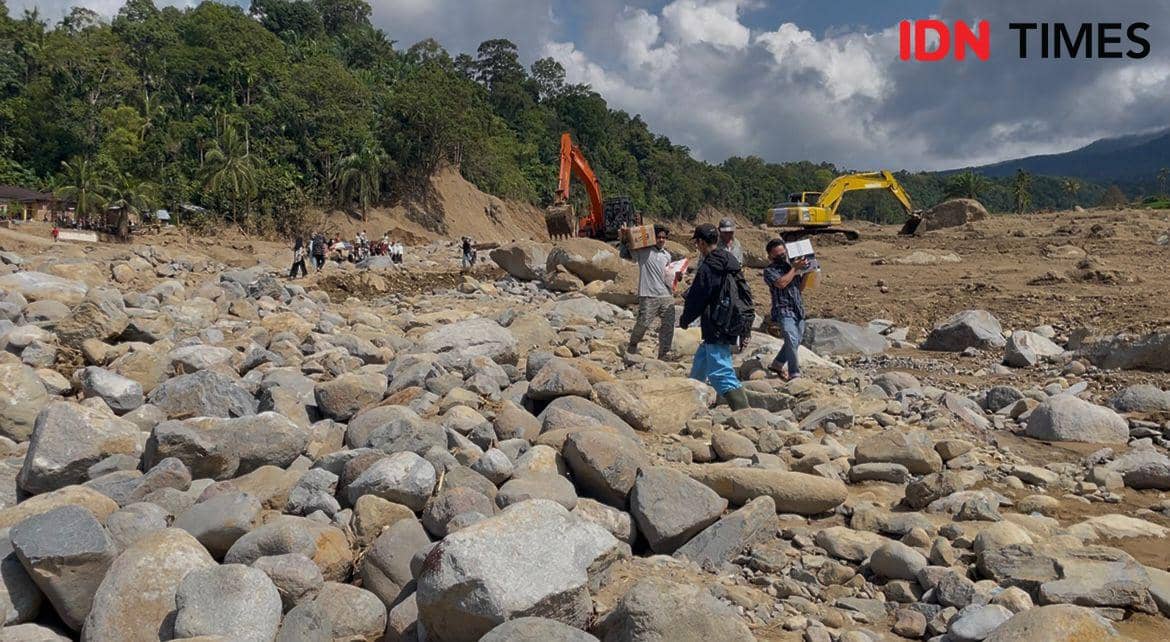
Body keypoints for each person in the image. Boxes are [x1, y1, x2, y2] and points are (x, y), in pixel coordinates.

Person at [680, 224, 751, 410]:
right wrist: (746, 326)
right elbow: (745, 292)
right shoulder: (730, 260)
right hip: (732, 318)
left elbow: (698, 297)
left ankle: (745, 413)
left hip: (717, 323)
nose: (697, 246)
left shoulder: (709, 266)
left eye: (697, 242)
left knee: (720, 371)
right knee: (702, 361)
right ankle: (690, 398)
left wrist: (685, 319)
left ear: (701, 242)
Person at [625, 225, 676, 360]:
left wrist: (677, 277)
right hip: (648, 294)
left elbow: (668, 275)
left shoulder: (667, 256)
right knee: (643, 323)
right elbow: (626, 253)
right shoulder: (643, 252)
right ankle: (633, 344)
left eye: (663, 237)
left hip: (666, 295)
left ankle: (664, 353)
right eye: (658, 237)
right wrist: (624, 237)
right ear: (654, 238)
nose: (661, 240)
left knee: (668, 324)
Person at [763, 238, 811, 380]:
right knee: (791, 337)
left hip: (797, 308)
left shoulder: (790, 267)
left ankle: (777, 364)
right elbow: (781, 283)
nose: (782, 257)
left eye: (783, 253)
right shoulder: (770, 271)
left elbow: (799, 288)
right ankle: (794, 373)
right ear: (770, 256)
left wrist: (807, 271)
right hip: (784, 309)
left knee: (795, 341)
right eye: (778, 255)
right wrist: (795, 269)